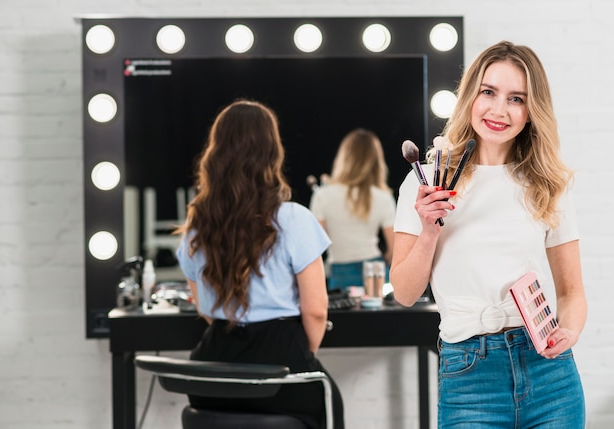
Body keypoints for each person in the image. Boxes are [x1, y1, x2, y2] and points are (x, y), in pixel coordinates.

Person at [390, 41, 586, 427]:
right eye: (488, 92)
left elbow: (571, 292)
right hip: (469, 378)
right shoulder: (426, 183)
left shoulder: (547, 186)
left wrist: (570, 330)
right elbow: (405, 293)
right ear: (470, 97)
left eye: (517, 99)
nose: (499, 110)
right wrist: (429, 230)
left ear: (531, 113)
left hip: (549, 375)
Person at [175, 99, 345, 429]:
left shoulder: (198, 225)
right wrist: (298, 356)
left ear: (216, 154)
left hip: (213, 371)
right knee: (328, 400)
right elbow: (316, 311)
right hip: (279, 366)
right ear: (272, 153)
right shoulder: (293, 219)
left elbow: (204, 308)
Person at [309, 128, 396, 291]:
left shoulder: (322, 195)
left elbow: (314, 246)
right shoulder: (383, 197)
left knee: (343, 316)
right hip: (375, 272)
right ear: (376, 160)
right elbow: (395, 251)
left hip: (339, 272)